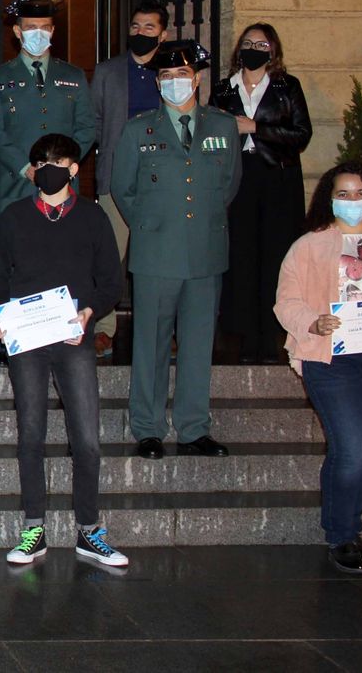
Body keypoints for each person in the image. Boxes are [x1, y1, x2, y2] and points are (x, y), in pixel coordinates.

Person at [0, 135, 128, 568]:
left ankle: (89, 529)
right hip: (27, 341)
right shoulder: (13, 218)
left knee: (86, 438)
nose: (48, 168)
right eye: (40, 161)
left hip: (73, 339)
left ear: (73, 168)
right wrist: (3, 318)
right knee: (31, 434)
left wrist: (89, 313)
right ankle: (33, 528)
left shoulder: (92, 218)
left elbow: (111, 282)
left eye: (58, 161)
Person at [274, 162, 362, 575]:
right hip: (332, 359)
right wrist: (313, 322)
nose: (352, 201)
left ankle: (346, 528)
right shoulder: (308, 246)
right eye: (344, 193)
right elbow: (287, 301)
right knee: (352, 447)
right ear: (328, 198)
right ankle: (343, 533)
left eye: (359, 193)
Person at [111, 40, 240, 460]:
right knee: (150, 342)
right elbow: (122, 188)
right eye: (165, 77)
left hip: (205, 251)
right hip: (156, 253)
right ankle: (148, 428)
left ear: (197, 79)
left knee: (198, 343)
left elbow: (228, 185)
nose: (174, 83)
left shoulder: (222, 127)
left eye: (181, 76)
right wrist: (152, 226)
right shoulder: (138, 129)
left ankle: (193, 427)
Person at [210, 23, 313, 362]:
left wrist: (255, 127)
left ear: (273, 50)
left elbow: (301, 134)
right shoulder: (224, 88)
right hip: (239, 176)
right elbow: (210, 134)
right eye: (248, 42)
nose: (253, 47)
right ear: (238, 49)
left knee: (275, 254)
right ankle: (242, 336)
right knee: (241, 255)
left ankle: (272, 336)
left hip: (277, 180)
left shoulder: (287, 86)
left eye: (261, 43)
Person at [89, 1, 170, 356]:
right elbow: (93, 122)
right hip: (117, 179)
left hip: (162, 181)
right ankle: (103, 328)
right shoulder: (107, 72)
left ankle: (159, 332)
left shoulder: (172, 72)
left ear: (163, 34)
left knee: (159, 260)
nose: (140, 33)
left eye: (149, 28)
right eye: (135, 26)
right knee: (109, 258)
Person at [0, 0, 97, 212]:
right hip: (17, 184)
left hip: (64, 187)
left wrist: (64, 166)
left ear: (52, 31)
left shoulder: (74, 75)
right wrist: (26, 168)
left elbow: (87, 127)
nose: (39, 33)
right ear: (18, 31)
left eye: (45, 27)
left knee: (63, 245)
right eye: (31, 27)